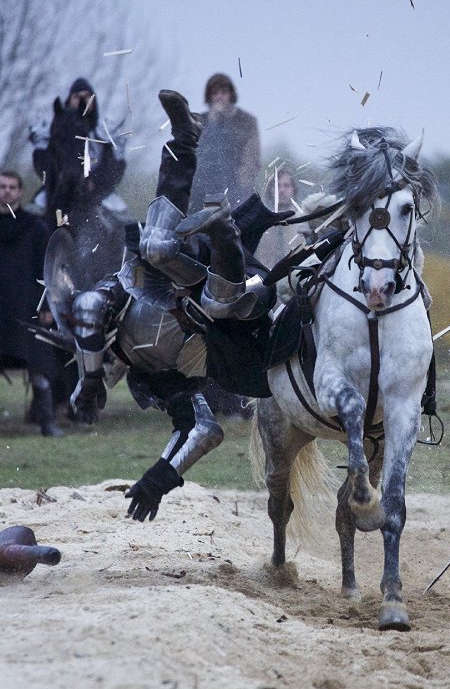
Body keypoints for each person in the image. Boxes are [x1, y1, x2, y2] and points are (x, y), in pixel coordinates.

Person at [57, 90, 290, 519]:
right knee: (226, 300)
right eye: (105, 377)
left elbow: (88, 307)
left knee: (157, 246)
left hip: (168, 268)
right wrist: (160, 478)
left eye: (102, 372)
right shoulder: (164, 383)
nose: (111, 372)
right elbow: (205, 430)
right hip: (215, 300)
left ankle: (184, 139)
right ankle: (227, 234)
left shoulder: (110, 317)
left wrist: (87, 386)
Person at [0, 170, 63, 436]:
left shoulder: (36, 228)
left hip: (28, 308)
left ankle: (46, 422)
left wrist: (48, 306)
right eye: (2, 186)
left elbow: (47, 270)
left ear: (20, 192)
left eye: (12, 187)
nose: (7, 191)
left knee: (39, 364)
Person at [29, 76, 129, 227]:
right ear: (69, 99)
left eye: (87, 96)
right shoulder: (54, 131)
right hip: (56, 192)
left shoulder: (106, 131)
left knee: (123, 226)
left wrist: (94, 181)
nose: (82, 100)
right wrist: (57, 178)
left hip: (97, 193)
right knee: (31, 219)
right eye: (77, 96)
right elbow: (42, 161)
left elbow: (115, 166)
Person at [189, 73, 260, 212]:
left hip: (235, 187)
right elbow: (192, 153)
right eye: (215, 93)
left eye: (223, 92)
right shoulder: (199, 121)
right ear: (209, 96)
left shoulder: (246, 121)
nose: (219, 97)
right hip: (202, 188)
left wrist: (240, 183)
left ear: (231, 95)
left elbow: (252, 156)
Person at [256, 166, 300, 269]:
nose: (281, 190)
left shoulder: (302, 221)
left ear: (293, 188)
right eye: (277, 186)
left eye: (286, 185)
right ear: (270, 189)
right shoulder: (261, 220)